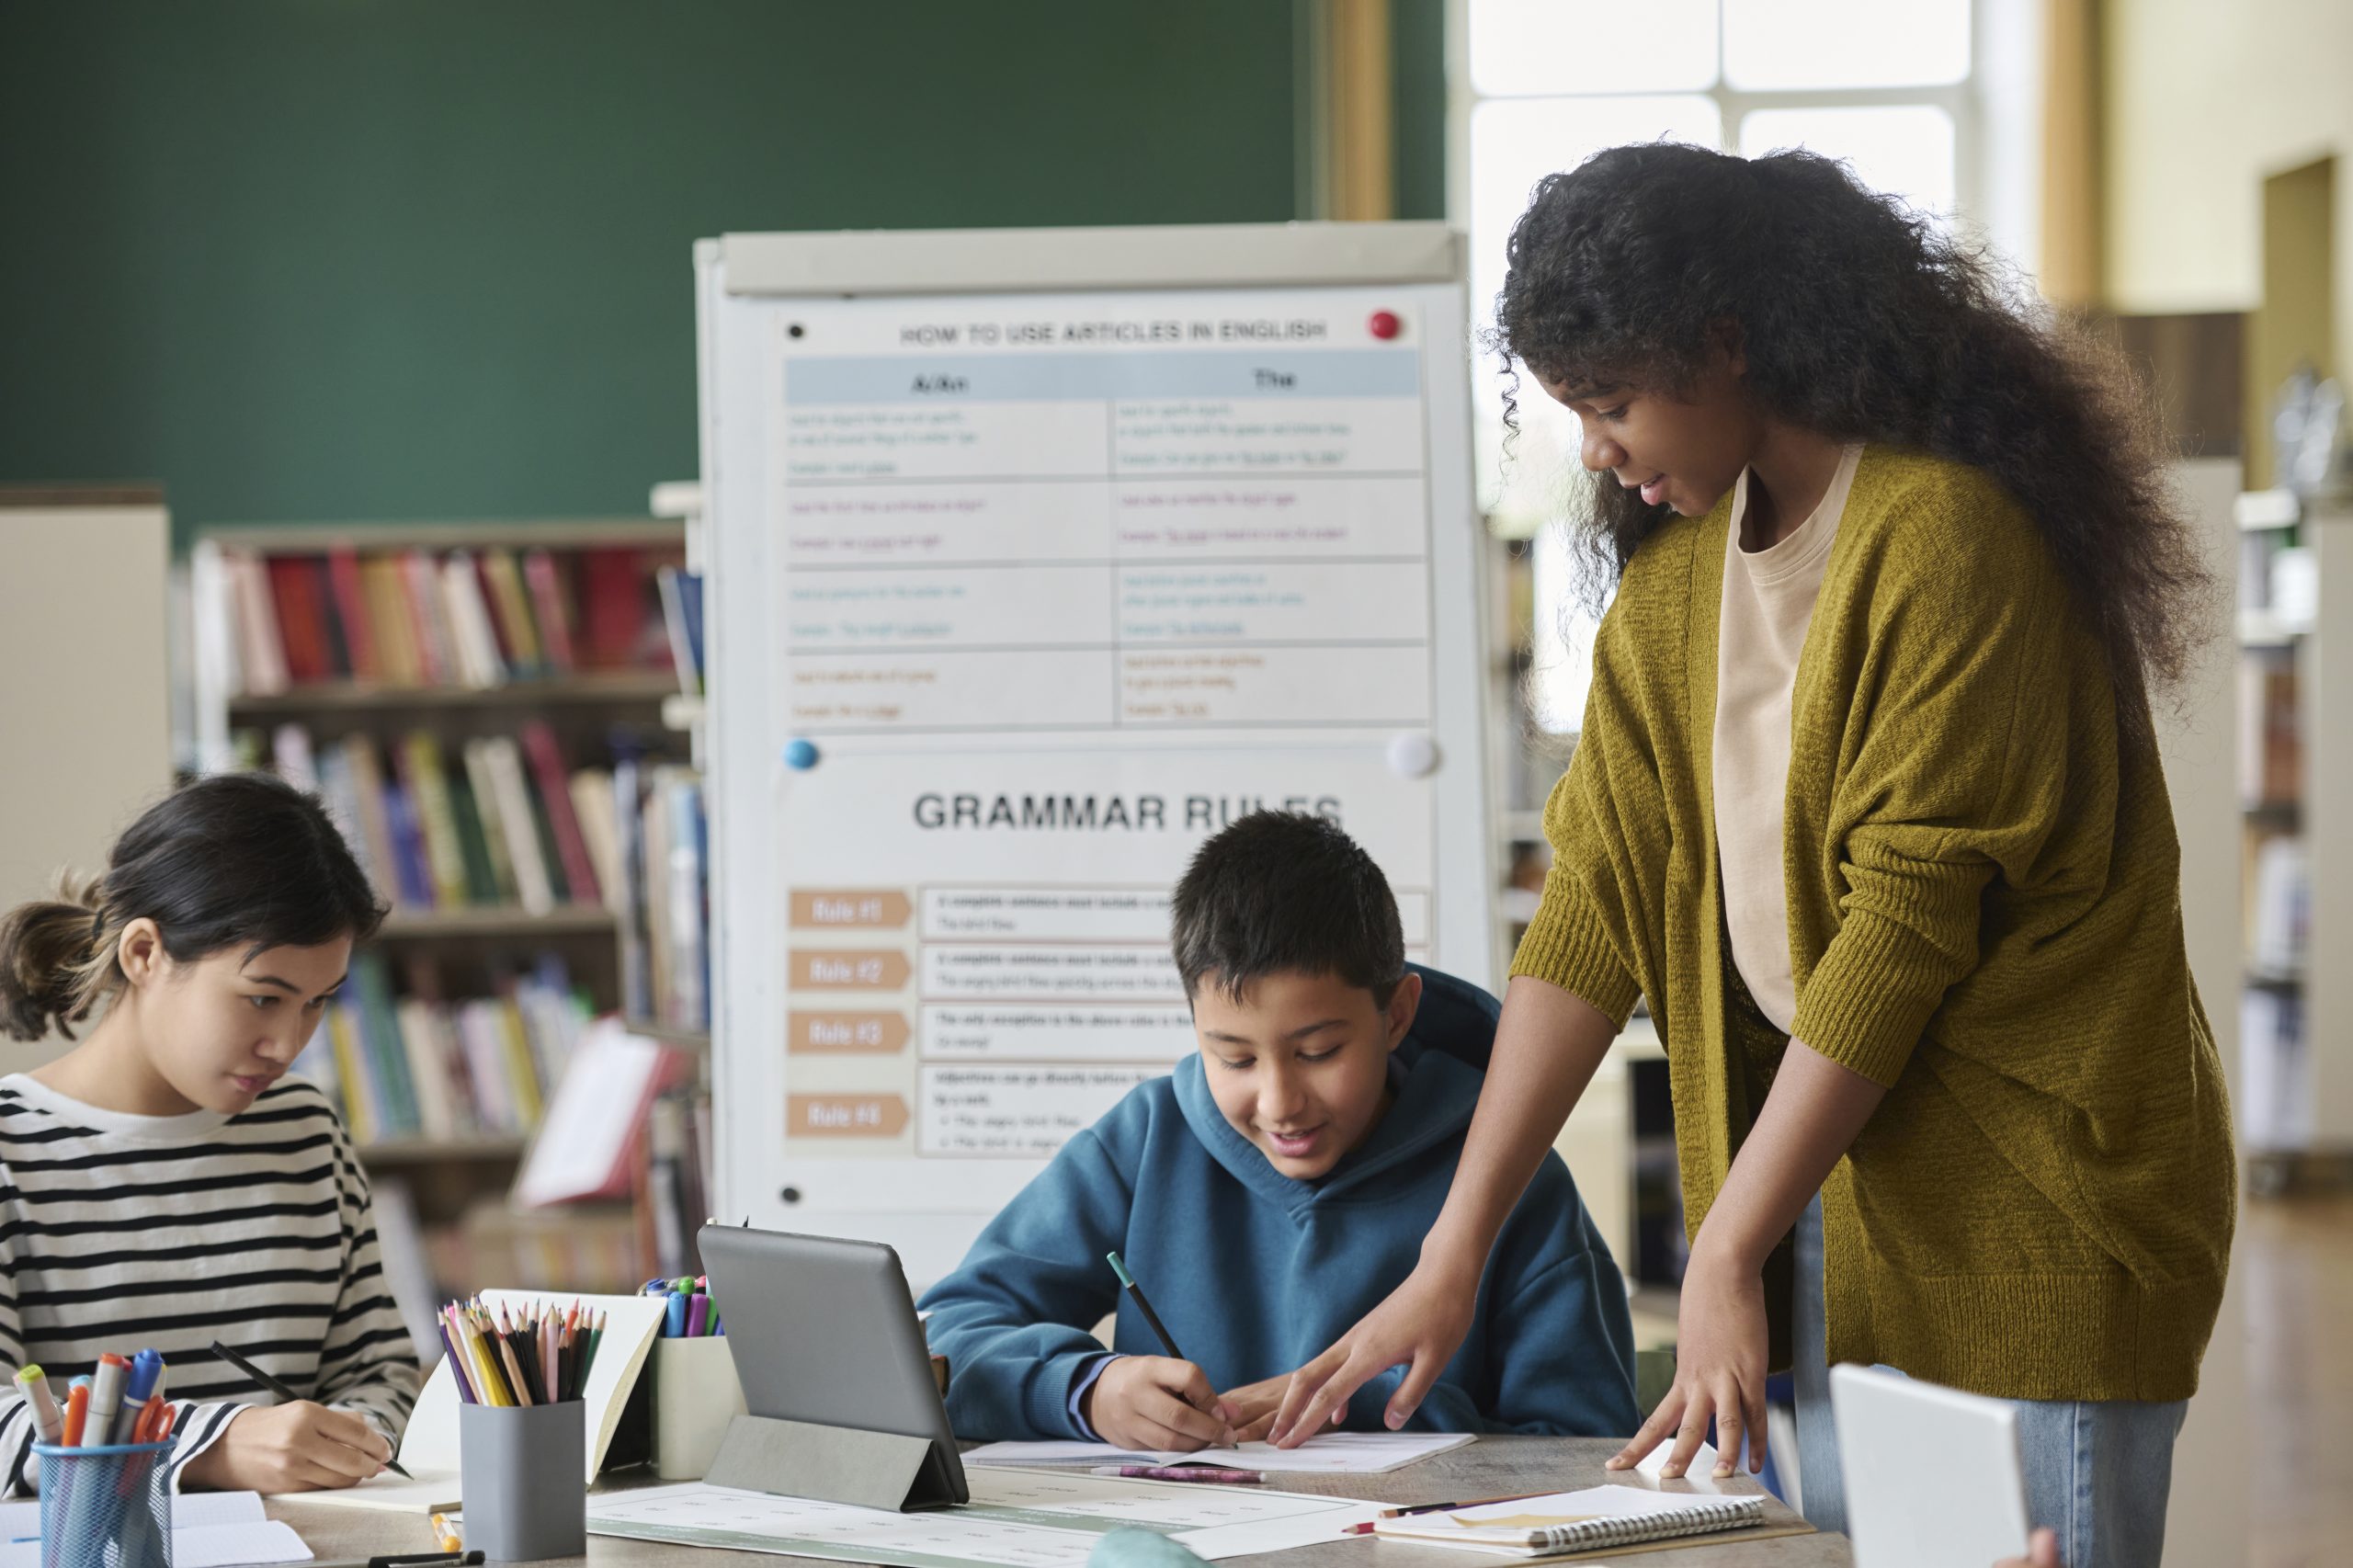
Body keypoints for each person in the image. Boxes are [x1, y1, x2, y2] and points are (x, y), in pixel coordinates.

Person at [1271, 143, 2234, 1568]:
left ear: (1727, 345)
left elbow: (1900, 934)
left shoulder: (1950, 541)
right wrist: (1449, 1252)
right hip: (1830, 1205)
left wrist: (1719, 1248)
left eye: (1610, 403)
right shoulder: (1675, 587)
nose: (1595, 448)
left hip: (2033, 1209)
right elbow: (1590, 912)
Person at [917, 811, 1638, 1448]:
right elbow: (946, 1332)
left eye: (1318, 1053)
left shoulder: (1510, 1178)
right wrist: (1084, 1392)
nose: (1280, 1101)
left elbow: (1586, 1447)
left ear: (1396, 1015)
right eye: (1232, 1057)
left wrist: (1345, 1404)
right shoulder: (1146, 1140)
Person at [0, 773, 419, 1494]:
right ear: (143, 954)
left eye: (316, 1003)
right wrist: (210, 1450)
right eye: (263, 999)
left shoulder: (306, 1131)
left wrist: (351, 1441)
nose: (288, 1045)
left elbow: (378, 1372)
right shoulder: (13, 1151)